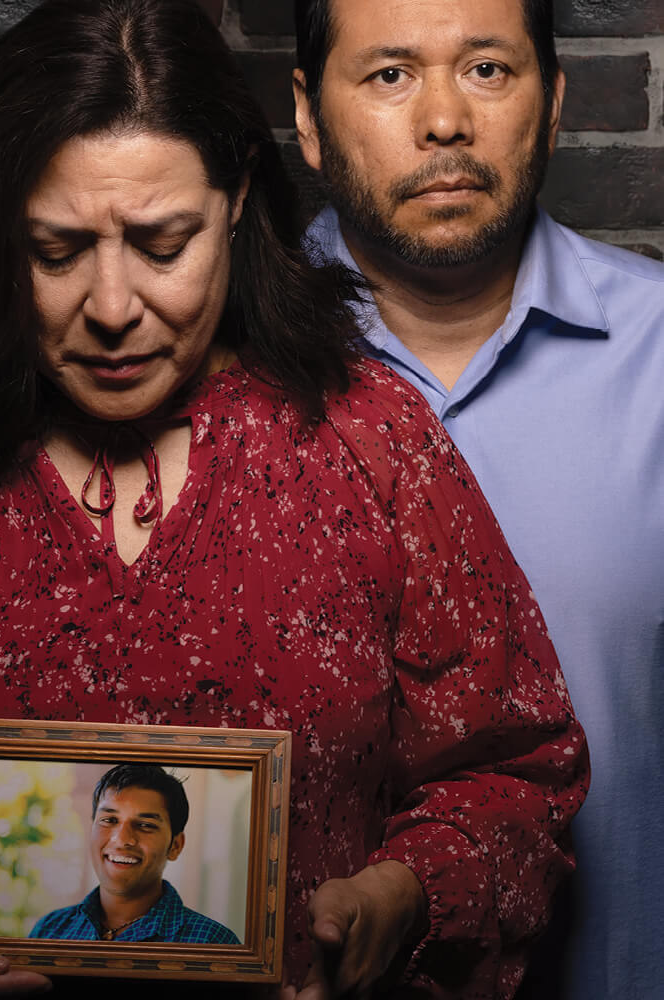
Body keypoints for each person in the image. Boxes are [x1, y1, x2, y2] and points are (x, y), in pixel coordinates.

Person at [0, 0, 587, 998]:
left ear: (237, 203)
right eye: (57, 251)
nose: (113, 310)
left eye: (163, 246)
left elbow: (514, 775)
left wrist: (401, 895)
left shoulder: (375, 444)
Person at [289, 0, 664, 996]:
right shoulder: (199, 357)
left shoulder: (661, 355)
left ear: (553, 107)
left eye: (489, 70)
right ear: (307, 118)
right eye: (390, 75)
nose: (446, 120)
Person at [28, 763, 239, 944]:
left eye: (145, 825)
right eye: (109, 820)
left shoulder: (212, 942)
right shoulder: (50, 931)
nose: (122, 839)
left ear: (175, 845)